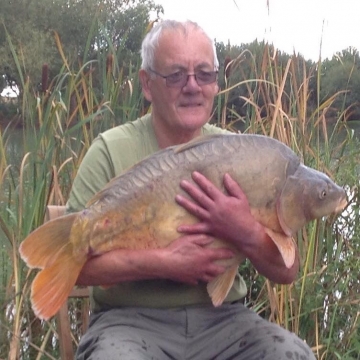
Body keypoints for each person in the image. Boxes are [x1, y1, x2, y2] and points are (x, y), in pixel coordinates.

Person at [67, 19, 315, 360]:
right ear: (147, 84)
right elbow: (75, 267)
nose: (192, 86)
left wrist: (245, 232)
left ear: (215, 83)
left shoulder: (245, 154)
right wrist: (164, 263)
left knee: (290, 354)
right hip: (129, 322)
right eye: (175, 75)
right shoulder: (109, 151)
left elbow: (286, 272)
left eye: (204, 74)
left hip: (225, 323)